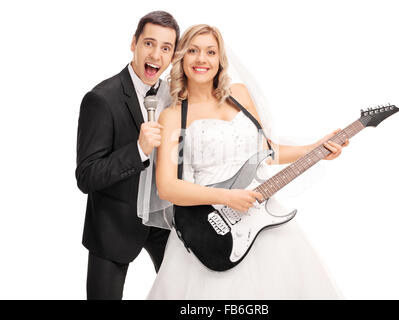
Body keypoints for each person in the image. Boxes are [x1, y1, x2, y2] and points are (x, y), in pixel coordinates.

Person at [147, 24, 348, 299]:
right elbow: (167, 188)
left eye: (210, 51)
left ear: (220, 60)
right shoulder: (172, 117)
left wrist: (316, 148)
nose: (201, 59)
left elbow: (266, 152)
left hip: (261, 215)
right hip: (210, 226)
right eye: (193, 51)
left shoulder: (239, 95)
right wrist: (227, 197)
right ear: (182, 58)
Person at [75, 11, 180, 300]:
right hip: (113, 228)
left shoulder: (176, 96)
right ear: (133, 43)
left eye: (166, 48)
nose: (156, 55)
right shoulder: (100, 99)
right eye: (149, 43)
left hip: (166, 226)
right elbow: (86, 176)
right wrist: (137, 150)